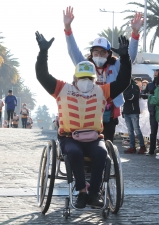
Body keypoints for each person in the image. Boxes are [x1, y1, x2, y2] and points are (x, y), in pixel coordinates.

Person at [35, 31, 131, 208]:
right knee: (75, 153)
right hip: (69, 138)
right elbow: (42, 76)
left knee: (102, 153)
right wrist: (43, 53)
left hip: (94, 137)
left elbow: (124, 81)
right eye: (82, 78)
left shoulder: (102, 91)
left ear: (94, 79)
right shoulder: (62, 89)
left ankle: (94, 193)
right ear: (75, 78)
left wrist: (125, 58)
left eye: (89, 78)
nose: (86, 81)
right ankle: (82, 191)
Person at [63, 6, 142, 143]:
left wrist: (135, 33)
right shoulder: (86, 66)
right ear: (91, 54)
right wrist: (68, 28)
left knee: (107, 142)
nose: (99, 55)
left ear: (108, 54)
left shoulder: (115, 65)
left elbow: (131, 57)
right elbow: (73, 51)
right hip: (87, 110)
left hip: (109, 113)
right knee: (87, 142)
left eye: (102, 53)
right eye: (96, 53)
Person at [122, 79, 147, 154]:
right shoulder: (125, 87)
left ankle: (142, 146)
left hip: (133, 111)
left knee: (136, 129)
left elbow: (133, 97)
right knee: (130, 130)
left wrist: (123, 95)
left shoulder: (135, 87)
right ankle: (132, 147)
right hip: (126, 111)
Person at [141, 69, 159, 156]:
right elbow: (144, 95)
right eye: (154, 75)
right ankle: (152, 149)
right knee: (153, 131)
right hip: (152, 111)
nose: (155, 77)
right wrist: (147, 94)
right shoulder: (150, 84)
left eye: (157, 75)